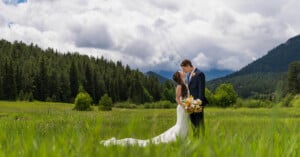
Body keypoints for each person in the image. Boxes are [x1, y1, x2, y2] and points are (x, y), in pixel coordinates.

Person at [100, 71, 189, 147]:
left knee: (184, 124)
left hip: (185, 108)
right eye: (181, 72)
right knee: (180, 125)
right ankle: (177, 139)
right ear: (179, 76)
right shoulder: (179, 86)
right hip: (181, 108)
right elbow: (177, 99)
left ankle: (181, 139)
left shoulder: (185, 84)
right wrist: (184, 105)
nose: (182, 72)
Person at [180, 59, 208, 137]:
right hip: (189, 103)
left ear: (188, 66)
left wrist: (198, 102)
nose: (183, 70)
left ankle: (202, 141)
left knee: (199, 123)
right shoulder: (189, 75)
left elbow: (201, 90)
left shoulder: (200, 74)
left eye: (184, 68)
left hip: (198, 102)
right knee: (193, 123)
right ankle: (196, 140)